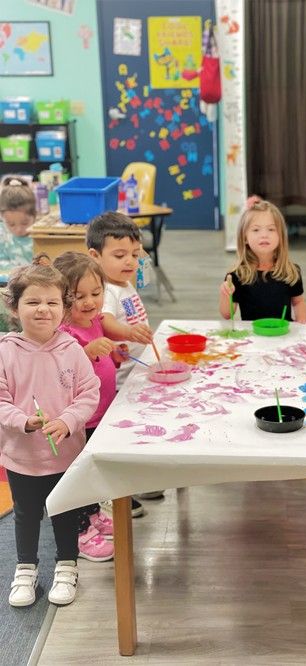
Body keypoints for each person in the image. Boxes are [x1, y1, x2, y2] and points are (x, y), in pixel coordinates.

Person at [0, 263, 100, 607]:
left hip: (65, 455)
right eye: (33, 302)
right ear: (15, 308)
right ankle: (25, 569)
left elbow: (89, 393)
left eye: (52, 302)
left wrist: (69, 420)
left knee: (65, 513)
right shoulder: (5, 351)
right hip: (22, 457)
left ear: (63, 307)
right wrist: (23, 421)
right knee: (26, 514)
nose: (43, 309)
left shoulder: (71, 349)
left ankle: (67, 566)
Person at [86, 212, 162, 506]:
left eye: (134, 253)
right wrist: (129, 332)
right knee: (121, 438)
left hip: (135, 372)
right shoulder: (105, 290)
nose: (130, 261)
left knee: (136, 433)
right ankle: (118, 497)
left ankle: (136, 483)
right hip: (118, 380)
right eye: (119, 255)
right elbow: (104, 321)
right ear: (95, 256)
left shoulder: (123, 283)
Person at [54, 252, 122, 562]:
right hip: (80, 419)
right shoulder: (64, 333)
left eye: (96, 293)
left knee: (92, 472)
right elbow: (64, 371)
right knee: (78, 475)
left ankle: (93, 514)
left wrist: (113, 353)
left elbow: (102, 360)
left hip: (100, 412)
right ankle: (79, 531)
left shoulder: (94, 321)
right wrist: (89, 352)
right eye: (78, 296)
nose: (89, 302)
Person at [219, 198, 306, 323]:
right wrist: (226, 294)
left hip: (283, 332)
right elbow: (227, 314)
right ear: (245, 238)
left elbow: (298, 302)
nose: (264, 235)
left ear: (280, 236)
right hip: (252, 334)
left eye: (271, 229)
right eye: (256, 230)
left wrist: (302, 322)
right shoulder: (237, 275)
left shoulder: (291, 271)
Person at [0, 177, 37, 331]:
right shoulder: (3, 234)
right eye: (11, 224)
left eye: (24, 223)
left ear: (34, 215)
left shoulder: (38, 237)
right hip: (8, 286)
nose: (18, 229)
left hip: (35, 287)